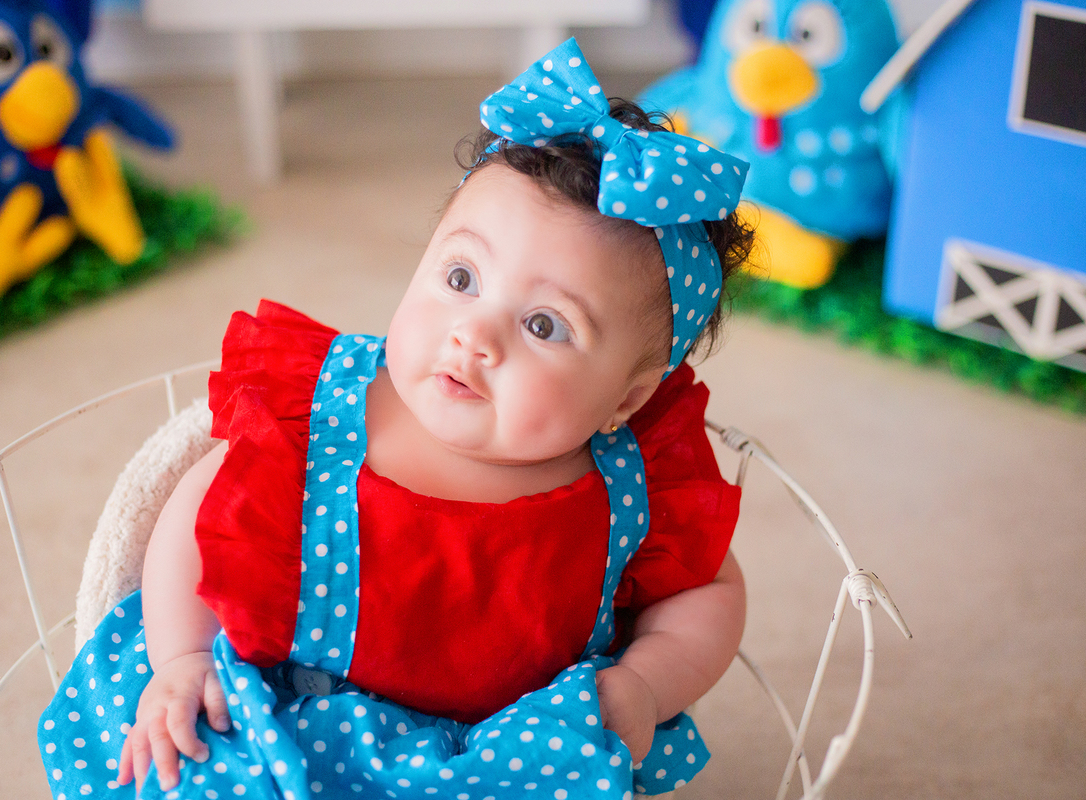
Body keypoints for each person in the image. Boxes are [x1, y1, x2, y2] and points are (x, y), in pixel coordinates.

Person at [39, 39, 754, 800]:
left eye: (544, 325)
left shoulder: (633, 484)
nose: (474, 335)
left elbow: (708, 594)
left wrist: (645, 682)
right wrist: (183, 658)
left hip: (504, 758)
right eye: (461, 277)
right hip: (286, 722)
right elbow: (201, 515)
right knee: (181, 763)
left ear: (626, 401)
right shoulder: (322, 417)